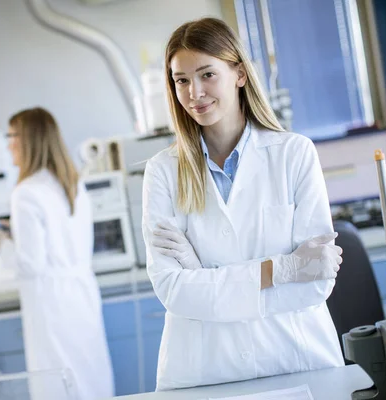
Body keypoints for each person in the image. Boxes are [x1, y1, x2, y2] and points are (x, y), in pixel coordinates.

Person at [142, 18, 345, 391]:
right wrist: (281, 269)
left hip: (295, 358)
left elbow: (314, 284)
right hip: (207, 372)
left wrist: (204, 272)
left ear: (238, 74)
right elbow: (174, 291)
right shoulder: (162, 172)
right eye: (181, 80)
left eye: (207, 74)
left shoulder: (293, 154)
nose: (194, 92)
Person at [0, 107, 114, 400]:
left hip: (51, 303)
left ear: (28, 139)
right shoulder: (73, 182)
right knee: (90, 377)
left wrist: (2, 244)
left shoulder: (26, 192)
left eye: (11, 136)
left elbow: (30, 264)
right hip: (81, 295)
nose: (9, 145)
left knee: (59, 384)